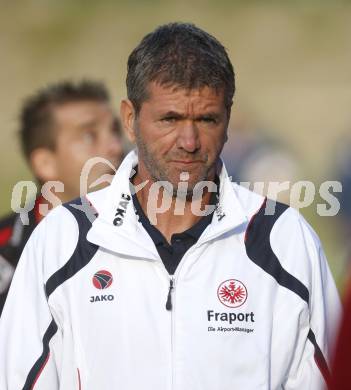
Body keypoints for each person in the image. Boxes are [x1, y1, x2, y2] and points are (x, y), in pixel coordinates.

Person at [0, 23, 340, 390]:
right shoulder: (61, 239)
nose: (189, 142)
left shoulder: (285, 240)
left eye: (206, 119)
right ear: (130, 120)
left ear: (228, 120)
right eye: (170, 119)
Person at [0, 80, 123, 314]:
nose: (116, 147)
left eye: (115, 131)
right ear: (45, 163)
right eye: (89, 135)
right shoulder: (6, 250)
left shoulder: (146, 236)